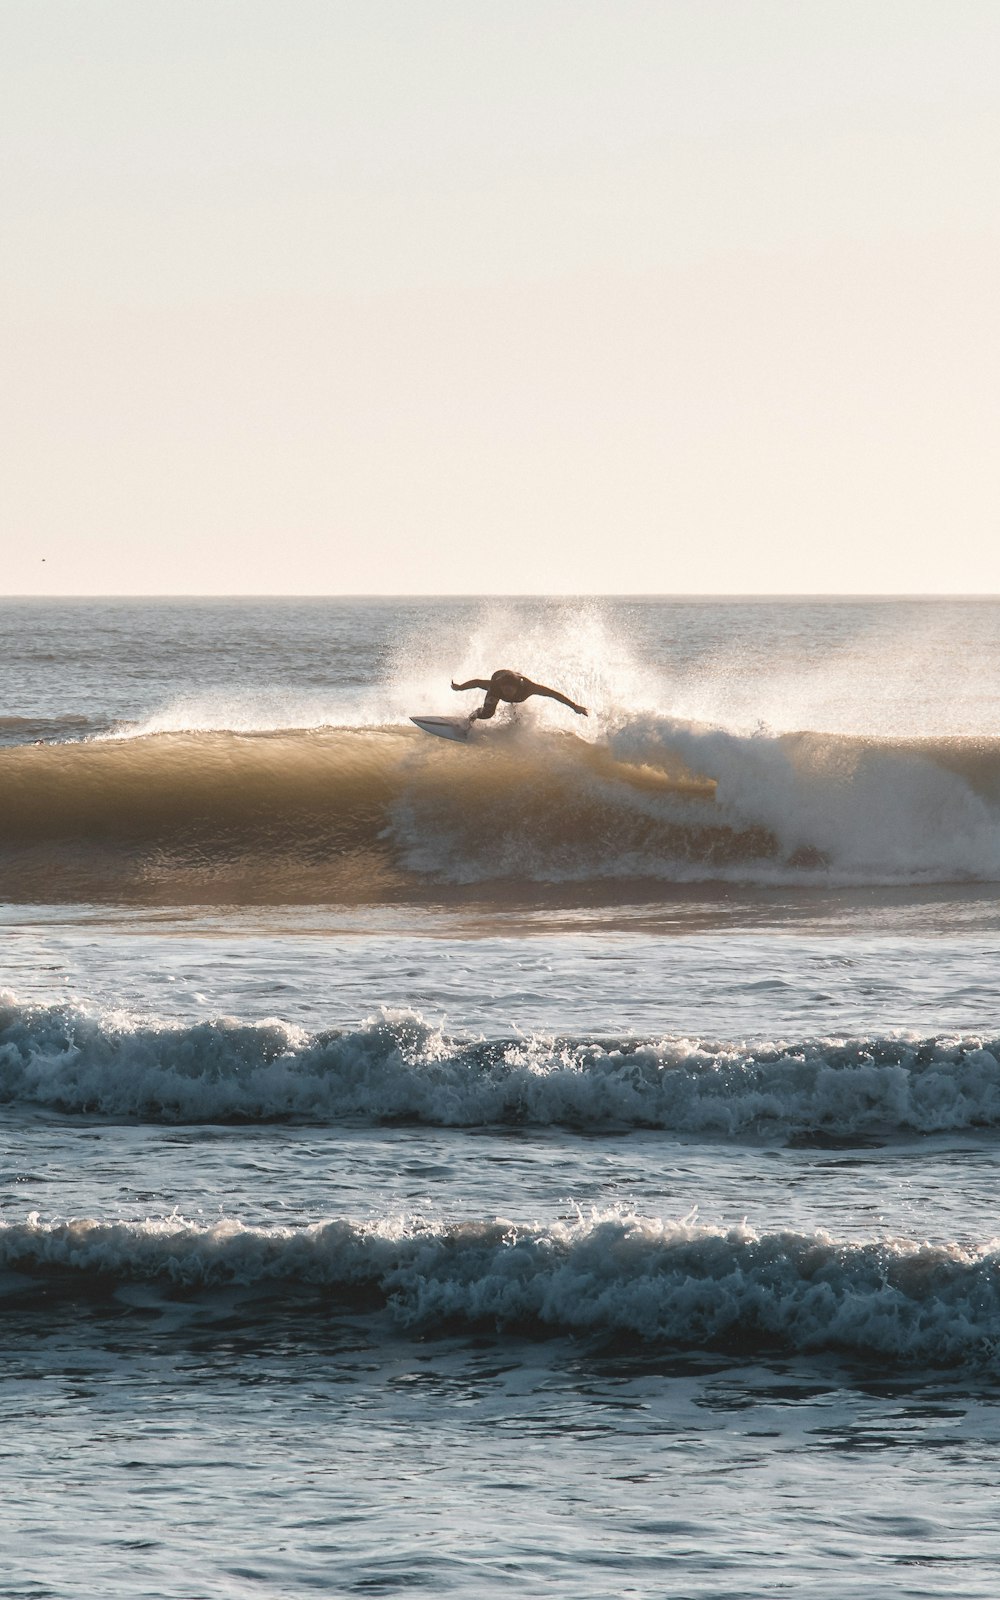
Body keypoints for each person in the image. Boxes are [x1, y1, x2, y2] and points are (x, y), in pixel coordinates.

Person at [451, 668, 588, 723]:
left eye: (509, 691)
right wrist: (459, 687)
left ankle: (514, 715)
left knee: (516, 714)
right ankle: (474, 714)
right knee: (487, 714)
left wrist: (574, 706)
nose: (506, 693)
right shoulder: (495, 687)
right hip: (500, 674)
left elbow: (553, 694)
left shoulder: (530, 688)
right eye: (505, 690)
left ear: (517, 688)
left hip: (514, 677)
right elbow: (476, 682)